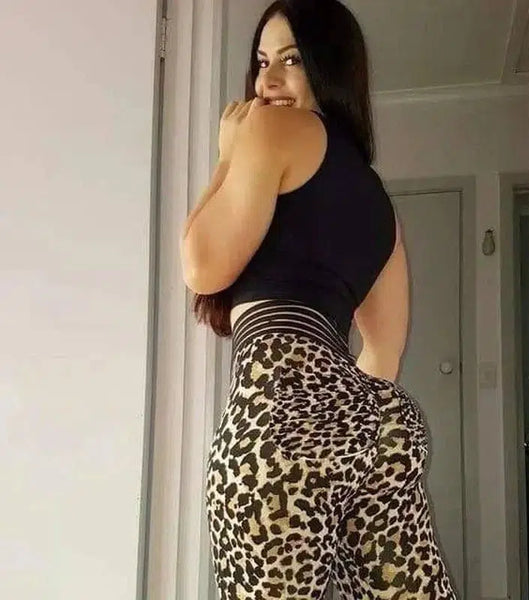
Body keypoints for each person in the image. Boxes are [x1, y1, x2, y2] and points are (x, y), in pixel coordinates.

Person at [180, 0, 458, 598]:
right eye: (262, 62)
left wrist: (229, 152)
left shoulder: (272, 130)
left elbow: (202, 267)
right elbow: (383, 356)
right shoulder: (379, 203)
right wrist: (338, 430)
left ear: (328, 67)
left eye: (292, 60)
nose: (268, 81)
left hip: (276, 423)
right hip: (381, 428)